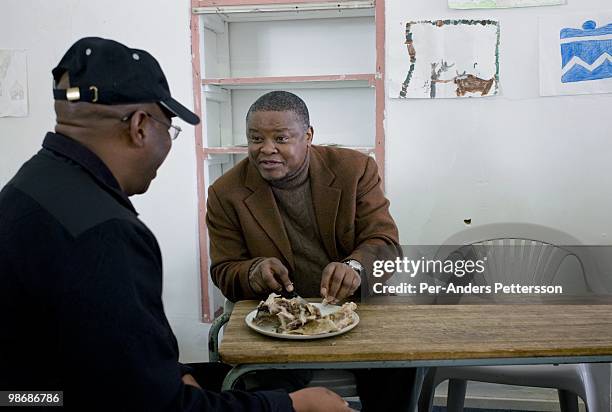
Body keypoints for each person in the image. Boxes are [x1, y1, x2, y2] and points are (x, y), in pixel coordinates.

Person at [0, 37, 351, 412]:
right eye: (169, 128)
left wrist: (170, 369)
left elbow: (111, 352)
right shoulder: (105, 231)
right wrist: (297, 407)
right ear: (139, 126)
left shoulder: (31, 185)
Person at [206, 91, 415, 411]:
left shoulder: (354, 169)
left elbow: (384, 242)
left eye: (281, 138)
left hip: (356, 310)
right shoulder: (226, 192)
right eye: (255, 138)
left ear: (308, 136)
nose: (266, 149)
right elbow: (224, 270)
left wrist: (355, 268)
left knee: (396, 370)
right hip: (279, 320)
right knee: (273, 394)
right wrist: (254, 271)